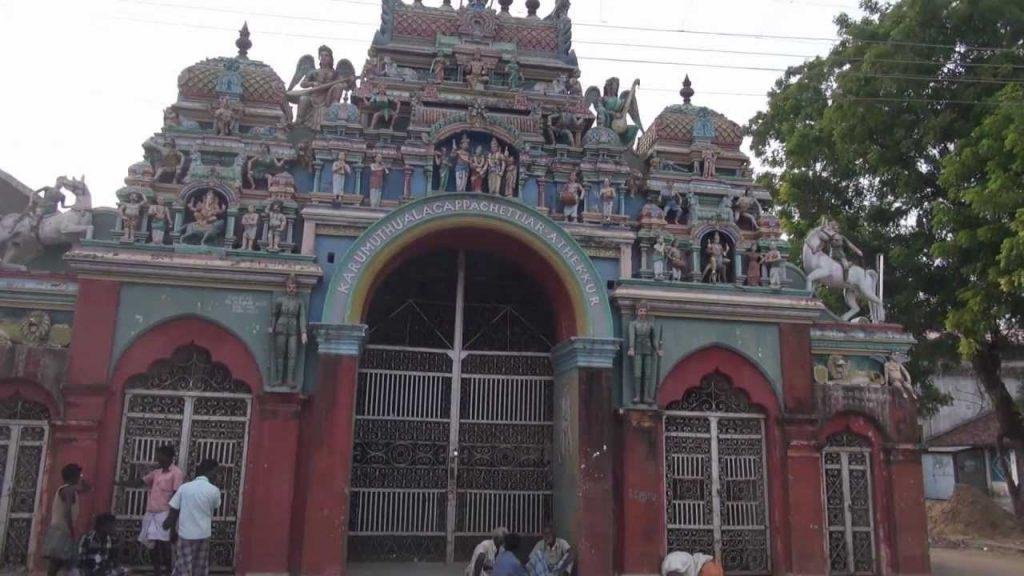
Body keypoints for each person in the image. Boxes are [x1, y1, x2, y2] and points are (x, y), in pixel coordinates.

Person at [116, 445, 183, 576]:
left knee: (165, 544)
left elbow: (177, 496)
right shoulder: (156, 473)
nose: (158, 458)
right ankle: (156, 570)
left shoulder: (176, 473)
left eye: (160, 455)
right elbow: (140, 482)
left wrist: (172, 519)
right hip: (151, 512)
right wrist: (120, 483)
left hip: (165, 512)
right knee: (152, 545)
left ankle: (169, 571)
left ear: (169, 457)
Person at [164, 459, 222, 576]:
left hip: (186, 534)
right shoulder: (214, 490)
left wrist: (171, 530)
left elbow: (174, 509)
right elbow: (216, 506)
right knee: (200, 567)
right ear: (210, 472)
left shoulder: (184, 488)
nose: (217, 475)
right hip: (203, 534)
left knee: (184, 565)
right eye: (216, 472)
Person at [43, 463, 92, 576]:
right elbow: (67, 512)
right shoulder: (67, 490)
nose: (80, 477)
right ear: (74, 476)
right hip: (61, 529)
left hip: (64, 529)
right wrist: (72, 529)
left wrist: (82, 479)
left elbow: (88, 488)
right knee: (56, 561)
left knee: (61, 560)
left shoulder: (71, 489)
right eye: (79, 475)